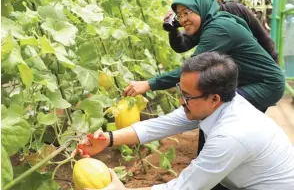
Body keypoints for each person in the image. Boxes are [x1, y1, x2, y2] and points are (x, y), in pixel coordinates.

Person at [75, 52, 294, 190]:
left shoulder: (231, 135)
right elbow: (160, 125)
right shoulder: (219, 105)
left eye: (186, 96)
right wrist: (108, 139)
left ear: (214, 99)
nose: (181, 100)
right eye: (181, 91)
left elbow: (185, 186)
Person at [122, 0, 284, 113]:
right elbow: (182, 46)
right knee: (215, 112)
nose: (183, 18)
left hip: (265, 84)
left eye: (187, 12)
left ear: (202, 5)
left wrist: (149, 84)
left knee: (218, 112)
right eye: (179, 15)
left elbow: (191, 70)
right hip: (247, 81)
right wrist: (173, 29)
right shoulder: (208, 24)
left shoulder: (219, 28)